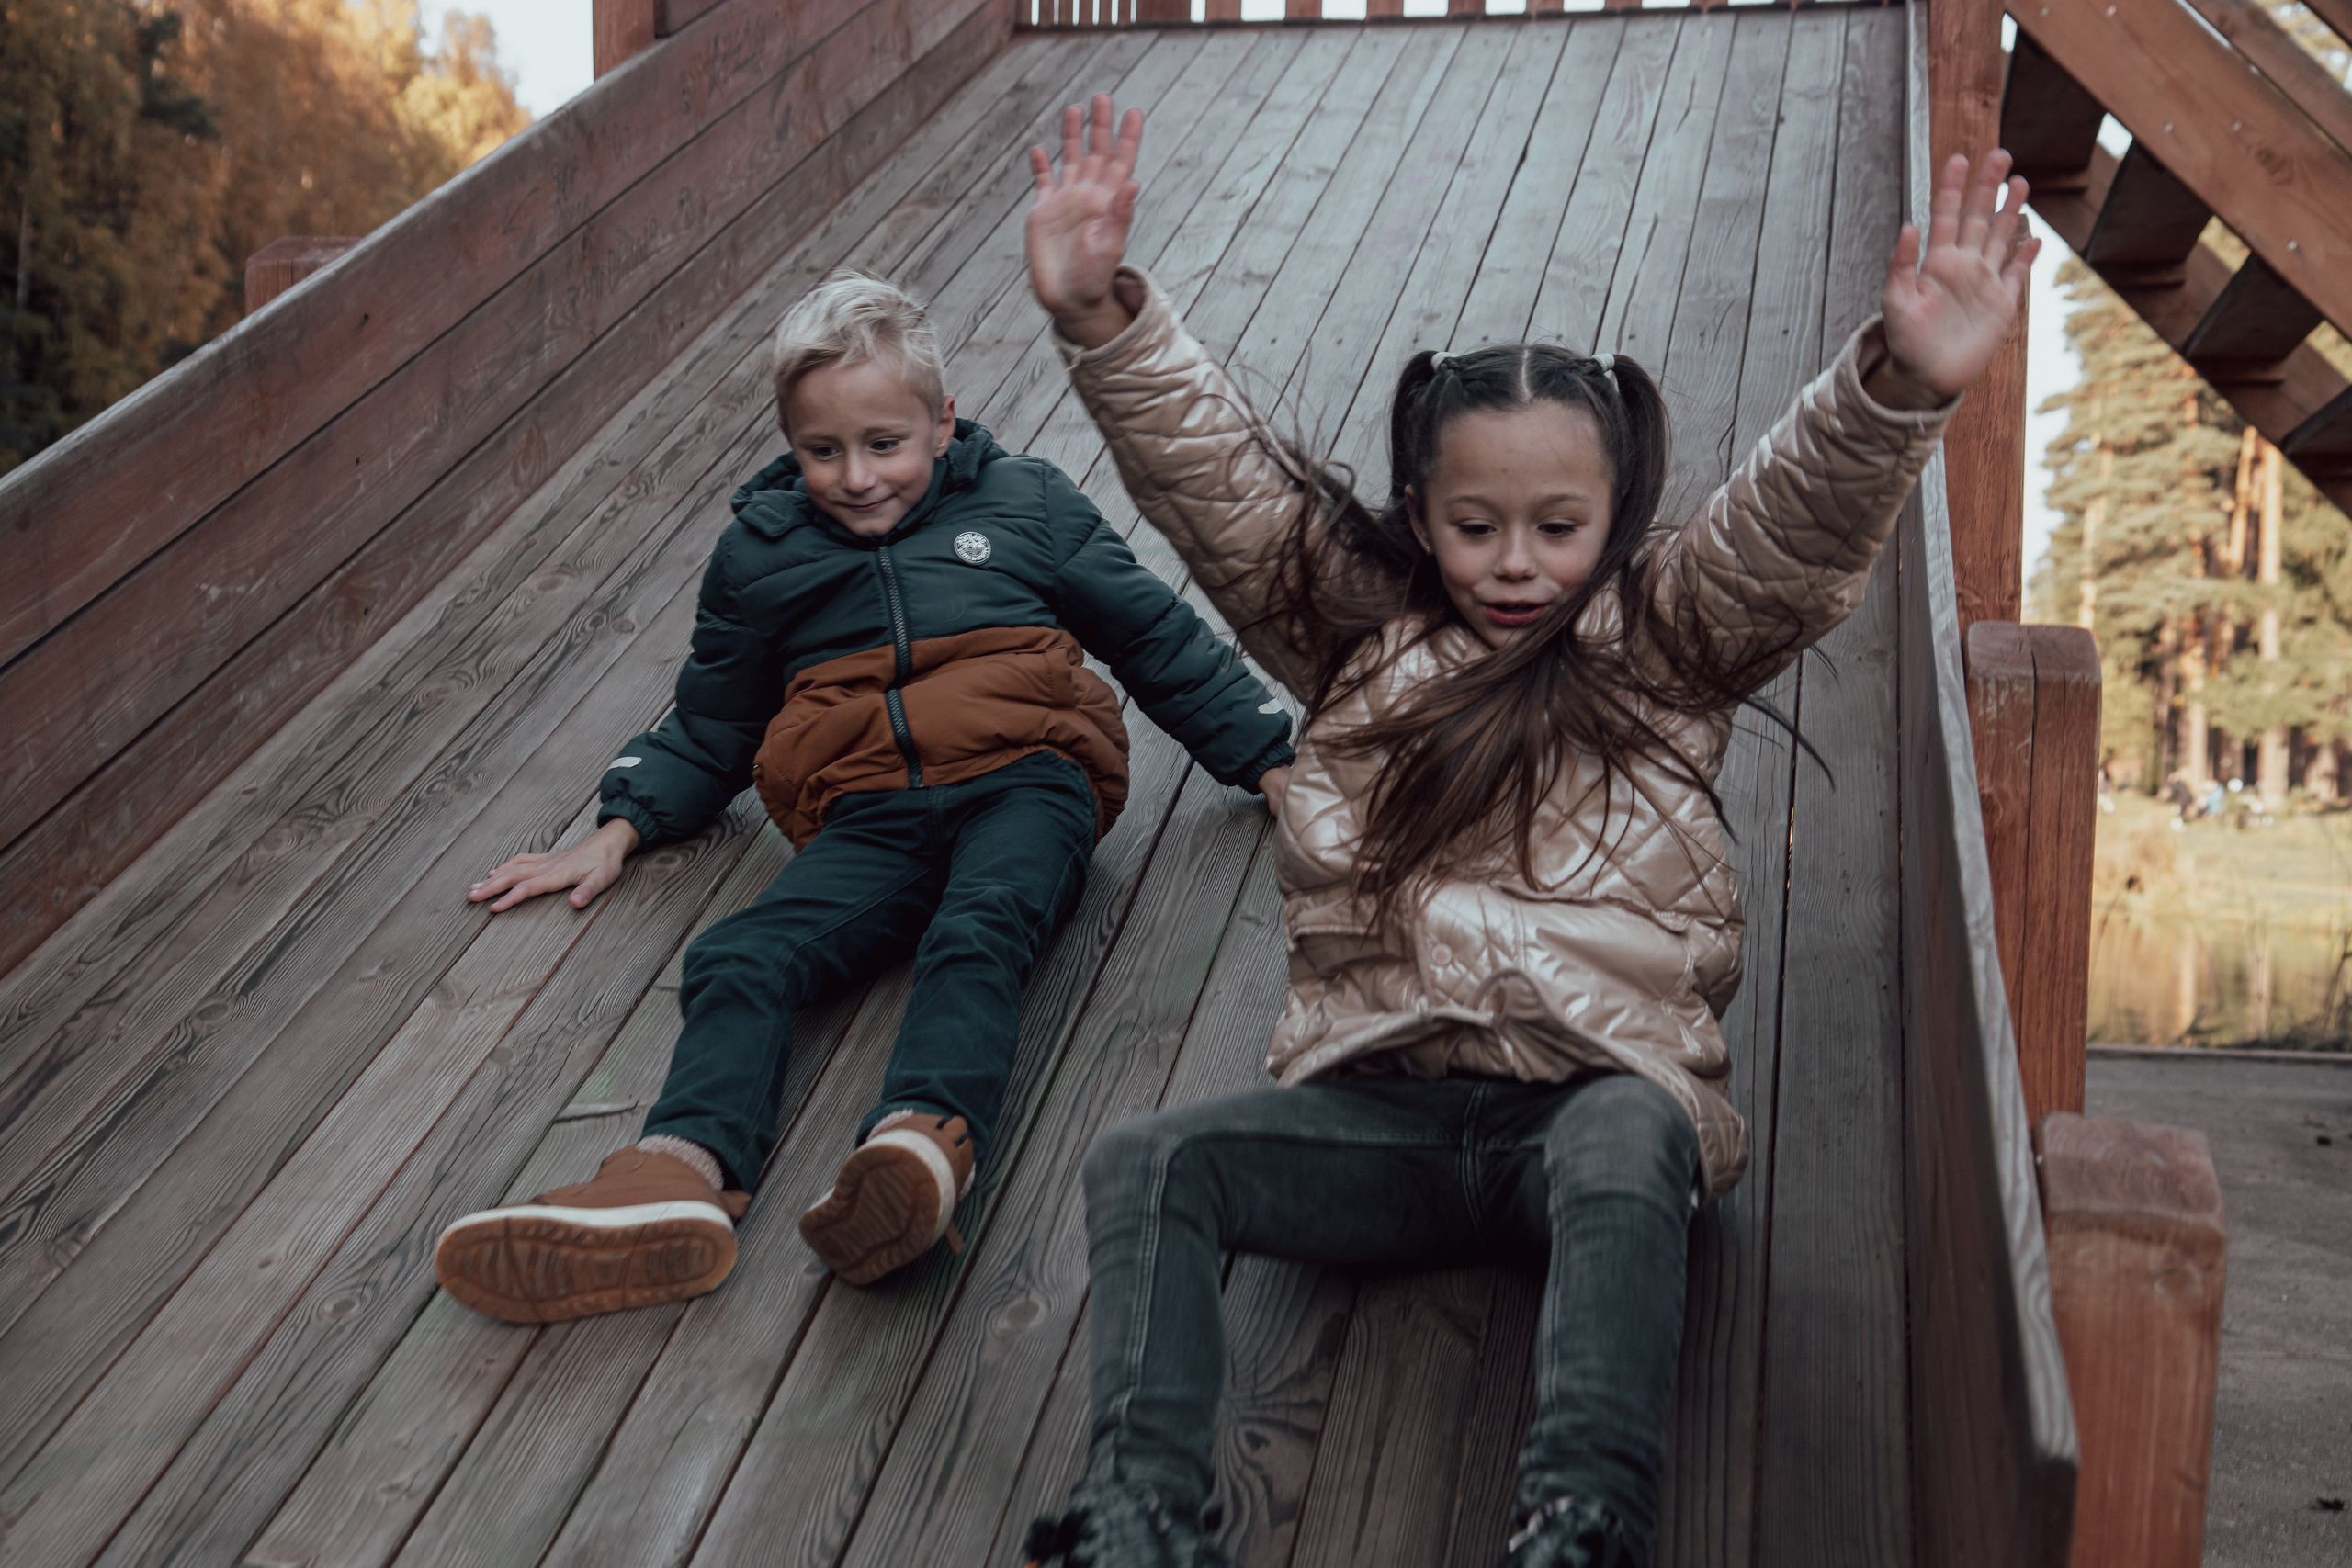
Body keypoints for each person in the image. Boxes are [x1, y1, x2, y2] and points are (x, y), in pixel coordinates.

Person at [1017, 97, 2036, 1568]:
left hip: (1592, 1099)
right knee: (1147, 1159)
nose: (1516, 562)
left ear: (1615, 511)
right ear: (1419, 513)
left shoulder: (1669, 638)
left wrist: (1894, 387)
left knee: (1637, 1136)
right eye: (1476, 523)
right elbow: (1215, 480)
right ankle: (1138, 1509)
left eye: (1559, 524)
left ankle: (1582, 1515)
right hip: (1386, 1112)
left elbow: (1797, 522)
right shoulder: (1351, 636)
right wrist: (1101, 311)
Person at [431, 271, 1295, 1325]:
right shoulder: (763, 552)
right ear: (789, 442)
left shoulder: (1023, 504)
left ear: (941, 420)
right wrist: (620, 826)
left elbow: (1154, 638)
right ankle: (674, 1175)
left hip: (1028, 778)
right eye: (823, 451)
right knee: (741, 956)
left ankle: (917, 1146)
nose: (856, 477)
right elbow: (714, 715)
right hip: (867, 811)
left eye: (884, 444)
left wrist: (1267, 760)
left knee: (978, 932)